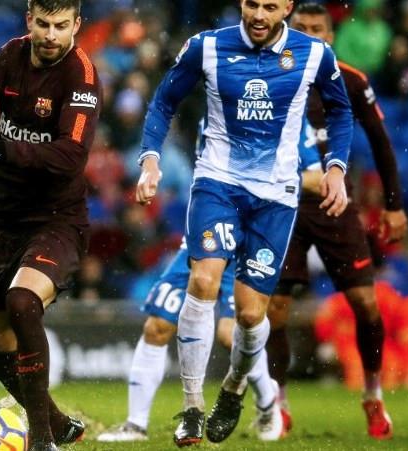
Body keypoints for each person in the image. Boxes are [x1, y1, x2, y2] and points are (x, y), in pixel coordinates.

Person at [135, 0, 352, 446]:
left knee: (251, 315)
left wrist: (336, 168)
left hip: (275, 197)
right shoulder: (207, 47)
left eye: (270, 7)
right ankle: (192, 407)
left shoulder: (313, 54)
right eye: (252, 3)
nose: (258, 15)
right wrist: (151, 159)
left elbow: (340, 110)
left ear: (287, 7)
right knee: (203, 282)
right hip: (219, 184)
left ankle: (233, 389)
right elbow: (163, 101)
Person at [97, 118, 323, 444]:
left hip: (247, 239)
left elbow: (316, 178)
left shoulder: (288, 114)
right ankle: (136, 424)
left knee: (233, 333)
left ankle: (266, 401)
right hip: (203, 238)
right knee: (157, 325)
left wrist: (273, 177)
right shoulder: (214, 112)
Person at [0, 1, 101, 450]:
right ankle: (58, 423)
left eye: (61, 27)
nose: (51, 35)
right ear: (29, 20)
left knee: (22, 300)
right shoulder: (11, 54)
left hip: (58, 219)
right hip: (9, 219)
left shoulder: (82, 76)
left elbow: (70, 155)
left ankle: (41, 439)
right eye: (43, 25)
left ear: (77, 25)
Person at [267, 2, 408, 440]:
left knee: (366, 303)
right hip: (284, 203)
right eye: (301, 29)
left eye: (318, 29)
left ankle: (373, 395)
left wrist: (393, 204)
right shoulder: (269, 75)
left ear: (331, 35)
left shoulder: (350, 80)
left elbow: (382, 143)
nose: (310, 36)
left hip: (335, 203)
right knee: (275, 310)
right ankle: (279, 406)